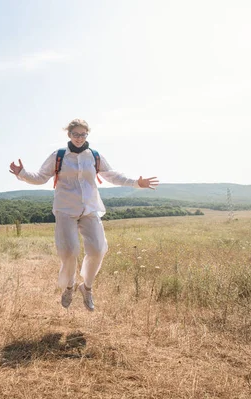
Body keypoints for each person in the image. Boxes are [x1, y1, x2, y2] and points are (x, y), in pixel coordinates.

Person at [9, 119, 158, 311]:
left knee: (98, 249)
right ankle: (69, 286)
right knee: (69, 251)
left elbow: (112, 175)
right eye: (75, 134)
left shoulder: (94, 156)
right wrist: (22, 173)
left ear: (87, 135)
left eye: (83, 134)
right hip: (65, 209)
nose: (79, 138)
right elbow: (40, 178)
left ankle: (86, 288)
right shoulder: (59, 156)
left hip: (89, 209)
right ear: (69, 135)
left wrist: (136, 183)